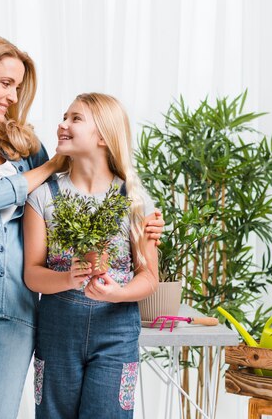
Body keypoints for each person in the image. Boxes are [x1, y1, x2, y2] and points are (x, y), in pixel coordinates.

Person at [0, 35, 164, 419]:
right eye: (6, 83)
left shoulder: (24, 144)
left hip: (14, 306)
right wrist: (48, 167)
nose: (14, 97)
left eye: (18, 87)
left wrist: (144, 226)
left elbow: (77, 195)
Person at [23, 92, 160, 419]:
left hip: (117, 334)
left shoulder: (134, 199)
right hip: (57, 334)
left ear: (102, 136)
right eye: (64, 116)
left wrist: (118, 293)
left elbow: (149, 277)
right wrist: (68, 277)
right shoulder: (43, 195)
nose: (62, 124)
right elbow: (32, 273)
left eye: (75, 118)